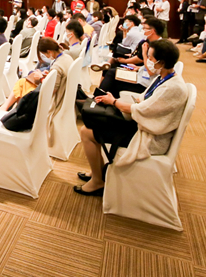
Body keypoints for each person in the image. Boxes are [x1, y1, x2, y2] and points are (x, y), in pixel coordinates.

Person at [76, 40, 188, 196]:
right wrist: (117, 103)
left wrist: (114, 102)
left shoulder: (172, 87)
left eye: (150, 58)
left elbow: (141, 109)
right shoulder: (164, 77)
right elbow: (144, 102)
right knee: (95, 123)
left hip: (150, 136)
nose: (147, 61)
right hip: (145, 124)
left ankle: (97, 181)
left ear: (161, 62)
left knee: (86, 132)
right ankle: (98, 173)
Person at [0, 38, 72, 135]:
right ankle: (8, 108)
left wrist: (41, 78)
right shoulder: (67, 58)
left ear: (49, 51)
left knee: (23, 84)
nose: (45, 57)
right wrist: (48, 76)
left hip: (53, 98)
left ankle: (14, 112)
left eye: (44, 54)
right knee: (23, 82)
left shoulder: (57, 66)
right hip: (63, 94)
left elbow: (52, 90)